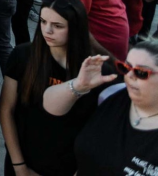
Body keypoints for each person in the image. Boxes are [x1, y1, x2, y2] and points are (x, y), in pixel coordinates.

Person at [0, 0, 106, 176]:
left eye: (57, 26)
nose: (47, 30)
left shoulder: (93, 71)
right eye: (43, 21)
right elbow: (6, 110)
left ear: (76, 28)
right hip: (22, 158)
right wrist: (20, 167)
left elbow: (98, 133)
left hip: (67, 165)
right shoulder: (23, 55)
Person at [44, 39, 158, 175]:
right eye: (125, 68)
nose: (129, 76)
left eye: (141, 72)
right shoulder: (112, 94)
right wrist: (79, 85)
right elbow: (50, 107)